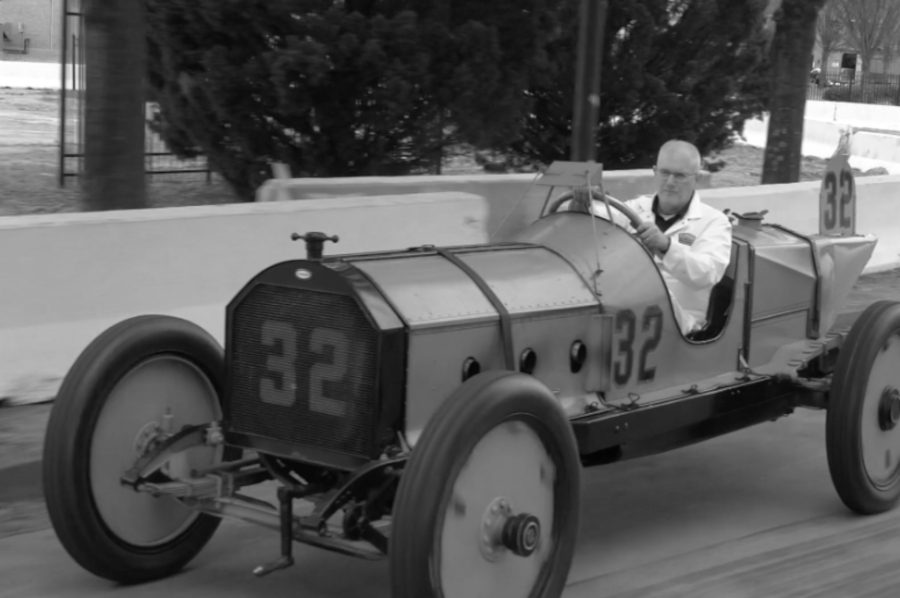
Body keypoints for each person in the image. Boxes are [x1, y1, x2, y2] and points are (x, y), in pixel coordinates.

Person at [572, 139, 733, 336]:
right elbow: (599, 223)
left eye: (680, 175)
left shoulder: (714, 221)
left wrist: (666, 246)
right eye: (665, 173)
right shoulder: (636, 208)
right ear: (655, 172)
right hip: (628, 311)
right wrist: (583, 203)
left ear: (696, 178)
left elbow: (707, 274)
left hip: (678, 324)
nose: (670, 182)